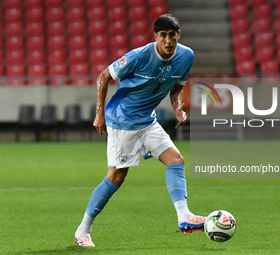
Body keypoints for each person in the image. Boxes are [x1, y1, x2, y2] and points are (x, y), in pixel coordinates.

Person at [74, 14, 206, 247]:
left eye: (172, 35)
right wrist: (99, 112)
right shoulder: (139, 56)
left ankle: (184, 216)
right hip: (123, 121)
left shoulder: (187, 56)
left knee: (176, 160)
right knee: (116, 177)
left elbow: (176, 87)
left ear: (179, 35)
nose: (168, 41)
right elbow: (103, 76)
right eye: (163, 35)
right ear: (155, 37)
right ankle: (83, 229)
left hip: (148, 121)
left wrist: (178, 108)